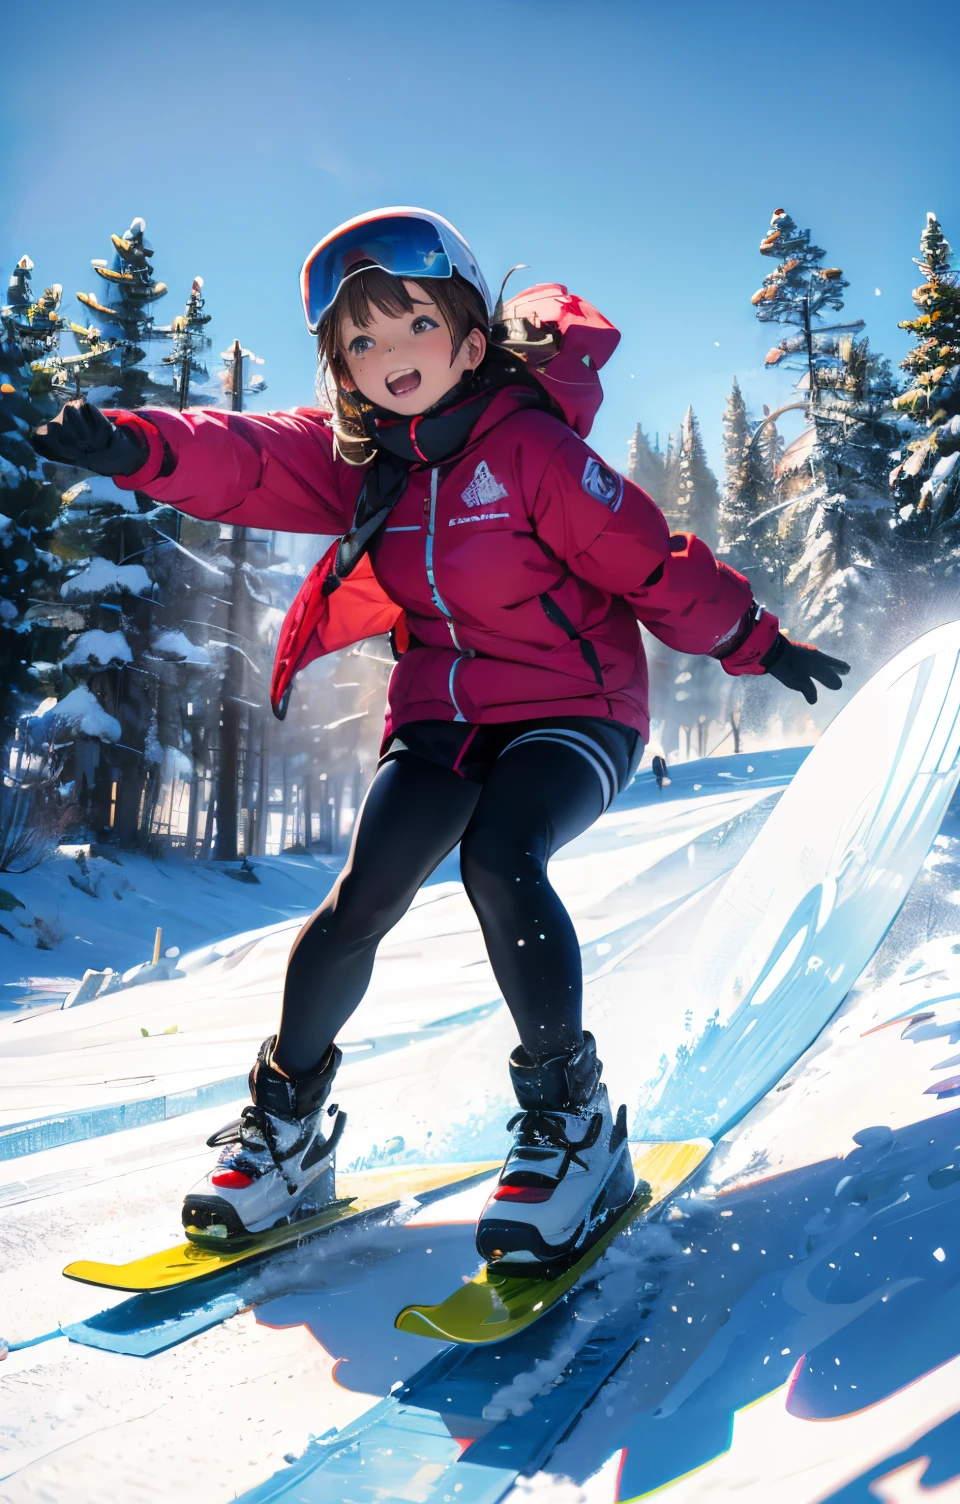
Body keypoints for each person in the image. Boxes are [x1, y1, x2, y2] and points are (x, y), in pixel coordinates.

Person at [34, 207, 849, 1275]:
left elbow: (653, 561)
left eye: (410, 326)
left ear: (470, 339)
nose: (387, 357)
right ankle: (288, 1130)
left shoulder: (533, 452)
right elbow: (237, 458)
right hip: (442, 713)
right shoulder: (362, 460)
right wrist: (130, 445)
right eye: (359, 343)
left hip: (575, 706)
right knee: (362, 897)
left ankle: (575, 1124)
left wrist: (754, 640)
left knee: (499, 859)